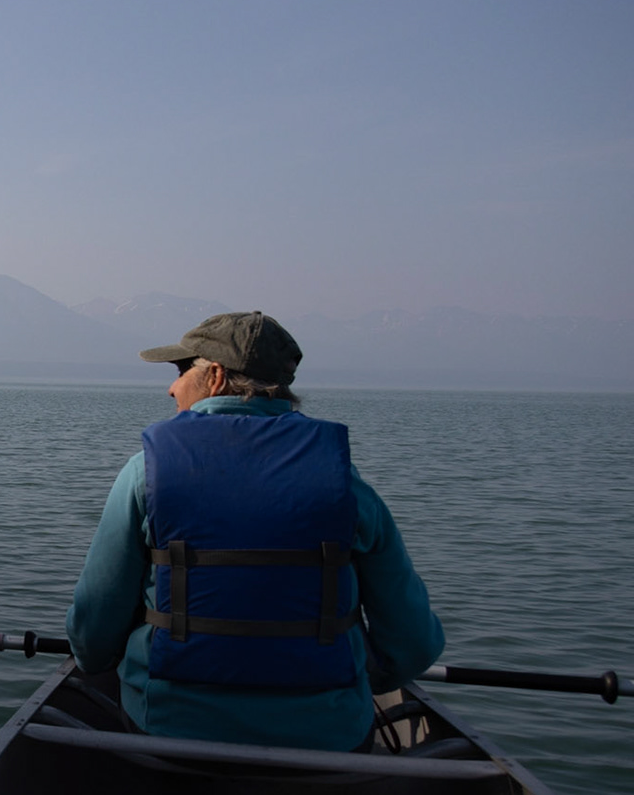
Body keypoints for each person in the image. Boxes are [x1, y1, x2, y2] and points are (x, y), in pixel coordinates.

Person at [65, 311, 443, 750]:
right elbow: (414, 646)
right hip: (327, 737)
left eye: (180, 370)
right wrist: (361, 677)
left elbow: (92, 633)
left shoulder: (145, 473)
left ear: (217, 376)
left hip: (170, 730)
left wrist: (107, 658)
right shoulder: (347, 486)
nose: (171, 387)